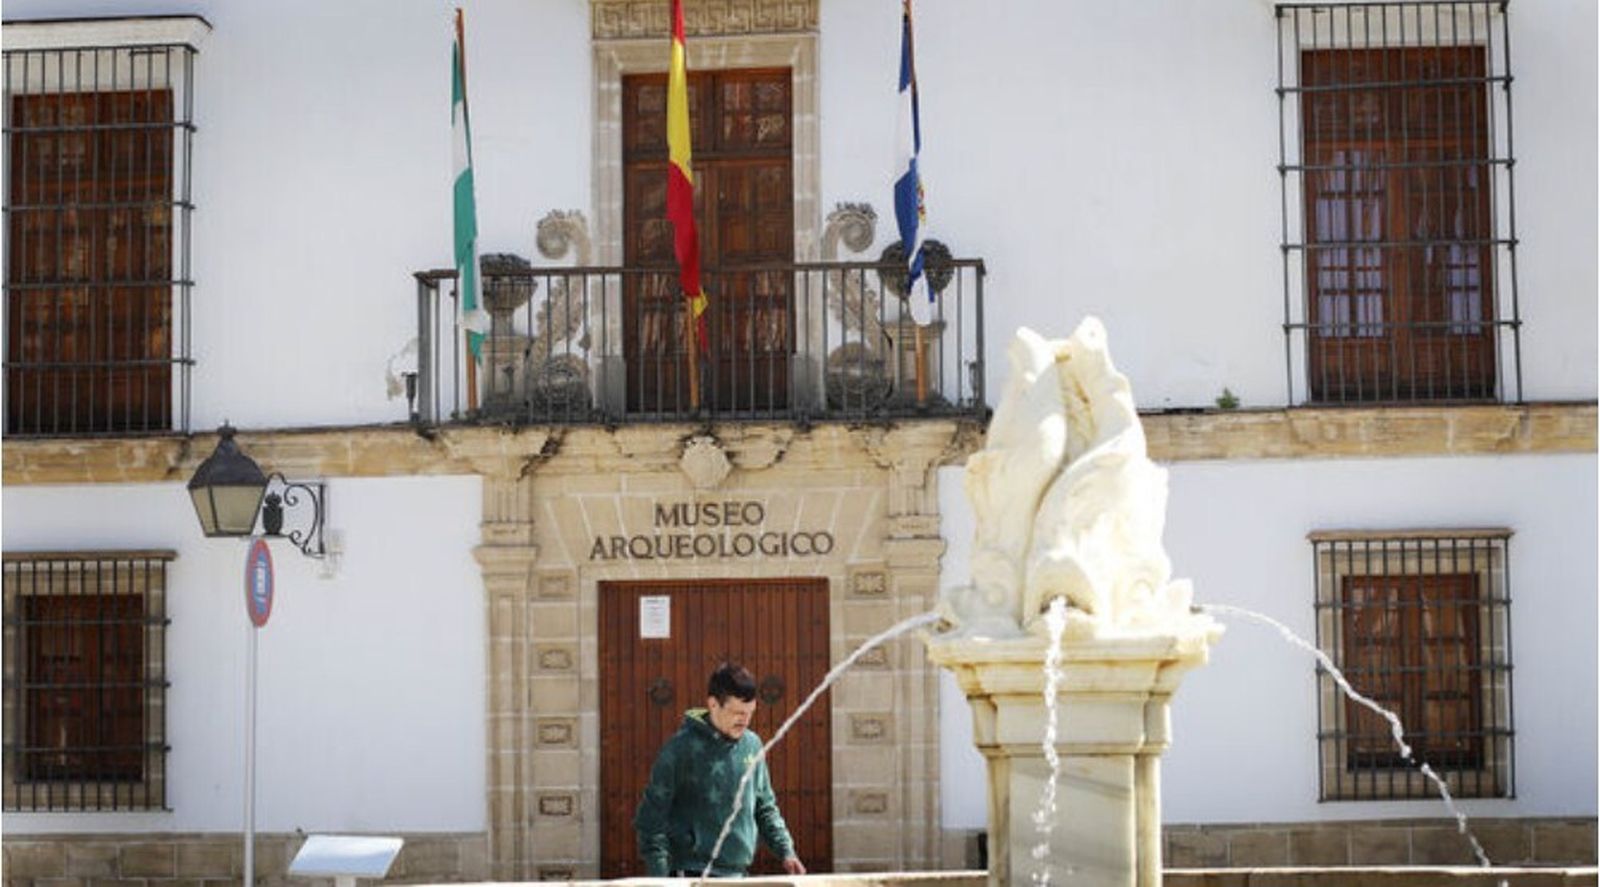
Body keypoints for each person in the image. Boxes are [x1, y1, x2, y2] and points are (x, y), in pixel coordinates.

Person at [634, 663, 807, 878]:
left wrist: (786, 851)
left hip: (738, 875)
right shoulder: (679, 749)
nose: (745, 720)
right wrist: (660, 879)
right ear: (713, 704)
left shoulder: (752, 745)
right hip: (690, 874)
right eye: (737, 712)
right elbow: (650, 819)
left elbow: (765, 807)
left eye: (750, 713)